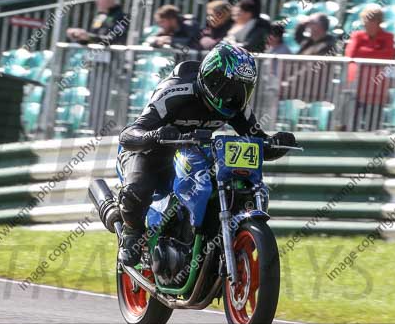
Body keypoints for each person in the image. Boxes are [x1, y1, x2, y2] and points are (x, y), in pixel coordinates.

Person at [115, 43, 296, 266]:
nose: (233, 97)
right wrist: (156, 134)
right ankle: (131, 233)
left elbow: (258, 140)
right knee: (137, 189)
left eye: (242, 90)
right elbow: (129, 134)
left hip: (191, 154)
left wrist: (275, 143)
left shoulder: (236, 106)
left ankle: (204, 242)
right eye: (228, 89)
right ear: (212, 78)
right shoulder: (175, 91)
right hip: (150, 151)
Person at [344, 6, 395, 130]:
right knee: (352, 122)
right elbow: (350, 54)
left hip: (377, 88)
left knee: (373, 124)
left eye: (371, 20)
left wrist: (363, 52)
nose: (367, 23)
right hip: (357, 85)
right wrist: (375, 52)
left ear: (378, 22)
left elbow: (388, 55)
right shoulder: (357, 36)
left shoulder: (388, 37)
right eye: (365, 20)